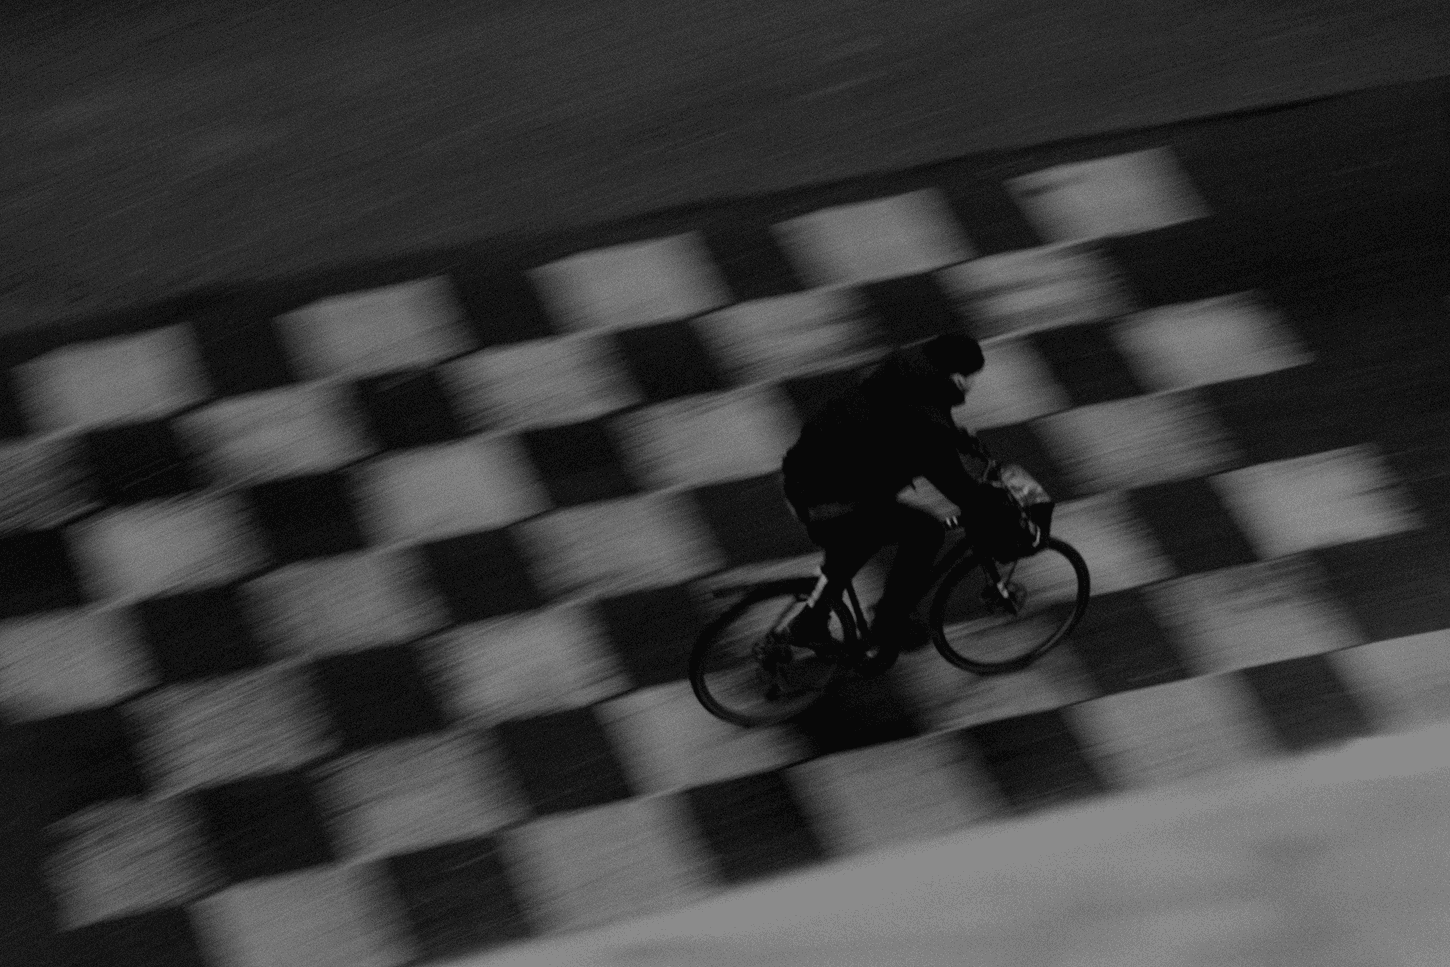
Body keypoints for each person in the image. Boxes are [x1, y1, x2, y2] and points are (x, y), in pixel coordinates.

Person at [777, 332, 1003, 653]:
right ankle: (889, 622)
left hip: (809, 476)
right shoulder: (925, 418)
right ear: (954, 377)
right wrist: (988, 502)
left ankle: (810, 622)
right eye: (969, 377)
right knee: (926, 531)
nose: (971, 384)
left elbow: (902, 421)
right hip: (830, 498)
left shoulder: (905, 372)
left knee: (860, 539)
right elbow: (954, 482)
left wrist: (954, 438)